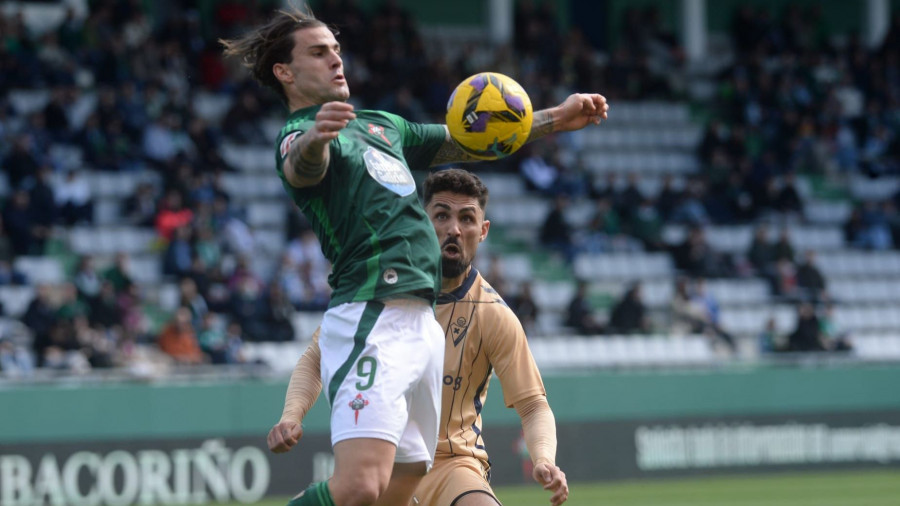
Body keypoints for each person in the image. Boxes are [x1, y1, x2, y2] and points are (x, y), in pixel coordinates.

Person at [222, 7, 605, 506]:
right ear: (285, 72)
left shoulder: (384, 126)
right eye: (319, 53)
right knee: (360, 486)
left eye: (337, 50)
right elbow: (301, 169)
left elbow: (468, 139)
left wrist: (554, 119)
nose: (337, 60)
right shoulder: (297, 135)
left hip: (421, 325)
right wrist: (317, 138)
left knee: (397, 492)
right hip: (372, 311)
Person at [268, 169, 568, 506]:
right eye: (442, 215)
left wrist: (543, 459)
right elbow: (316, 357)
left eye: (467, 218)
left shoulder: (493, 314)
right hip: (381, 458)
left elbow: (533, 405)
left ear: (482, 231)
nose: (454, 229)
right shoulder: (379, 289)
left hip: (453, 465)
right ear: (420, 221)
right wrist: (291, 416)